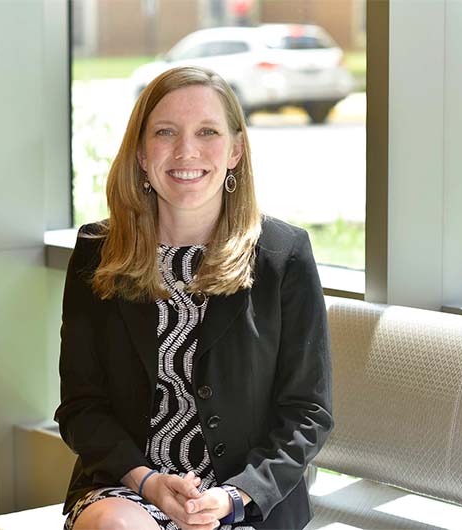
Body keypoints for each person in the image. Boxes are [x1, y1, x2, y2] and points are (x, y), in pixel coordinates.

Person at [55, 66, 333, 530]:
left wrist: (234, 497)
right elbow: (81, 407)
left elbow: (307, 412)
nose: (186, 151)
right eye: (165, 132)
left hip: (244, 498)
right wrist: (149, 483)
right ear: (142, 154)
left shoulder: (284, 257)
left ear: (236, 150)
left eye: (208, 131)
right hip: (129, 488)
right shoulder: (96, 254)